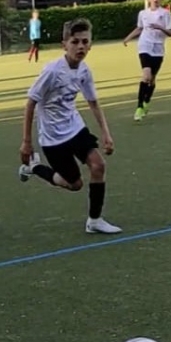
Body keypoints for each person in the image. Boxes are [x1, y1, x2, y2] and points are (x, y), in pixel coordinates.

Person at [18, 17, 121, 235]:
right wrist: (26, 142)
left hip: (75, 128)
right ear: (64, 44)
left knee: (98, 166)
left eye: (85, 42)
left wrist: (106, 134)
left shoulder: (84, 71)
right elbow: (30, 103)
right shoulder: (52, 72)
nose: (80, 46)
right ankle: (34, 168)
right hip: (52, 138)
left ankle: (95, 220)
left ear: (90, 45)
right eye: (75, 42)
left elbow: (93, 102)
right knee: (74, 184)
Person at [122, 0, 171, 121]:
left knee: (152, 79)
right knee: (146, 75)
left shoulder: (165, 14)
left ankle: (147, 101)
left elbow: (170, 33)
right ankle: (139, 107)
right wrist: (128, 38)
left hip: (158, 49)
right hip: (144, 46)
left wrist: (160, 27)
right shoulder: (143, 13)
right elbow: (140, 28)